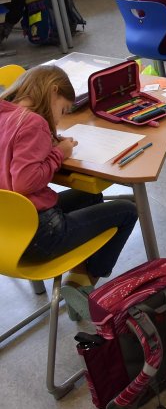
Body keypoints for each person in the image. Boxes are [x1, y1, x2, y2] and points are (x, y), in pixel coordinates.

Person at [0, 65, 138, 318]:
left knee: (90, 197)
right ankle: (82, 284)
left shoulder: (6, 114)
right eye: (62, 110)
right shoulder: (33, 122)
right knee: (128, 211)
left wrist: (47, 145)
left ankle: (79, 281)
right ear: (53, 91)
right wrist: (58, 153)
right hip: (41, 234)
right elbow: (23, 181)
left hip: (6, 234)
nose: (58, 119)